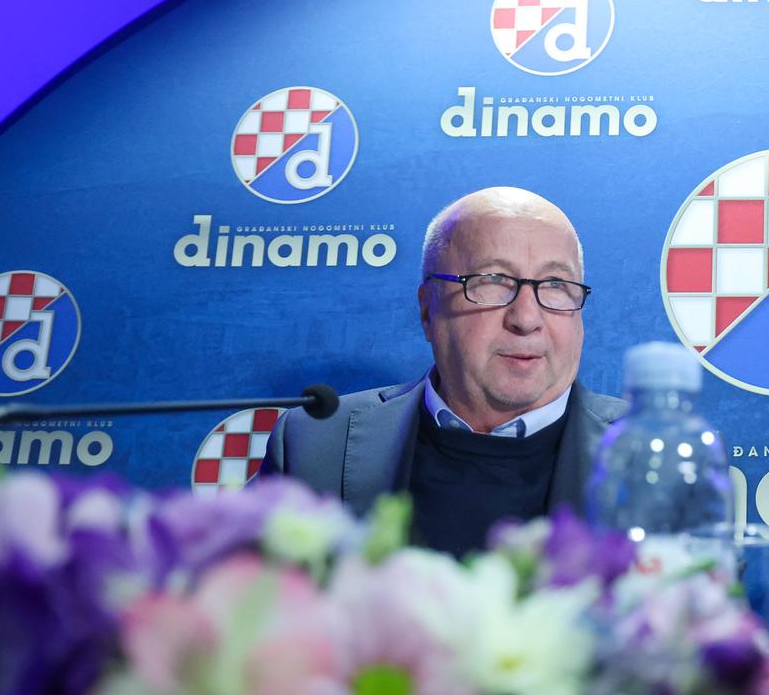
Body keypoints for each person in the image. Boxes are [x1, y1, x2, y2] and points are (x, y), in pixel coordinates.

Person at [260, 186, 626, 556]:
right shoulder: (314, 444)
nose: (527, 319)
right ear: (426, 310)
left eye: (555, 285)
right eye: (493, 281)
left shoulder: (660, 452)